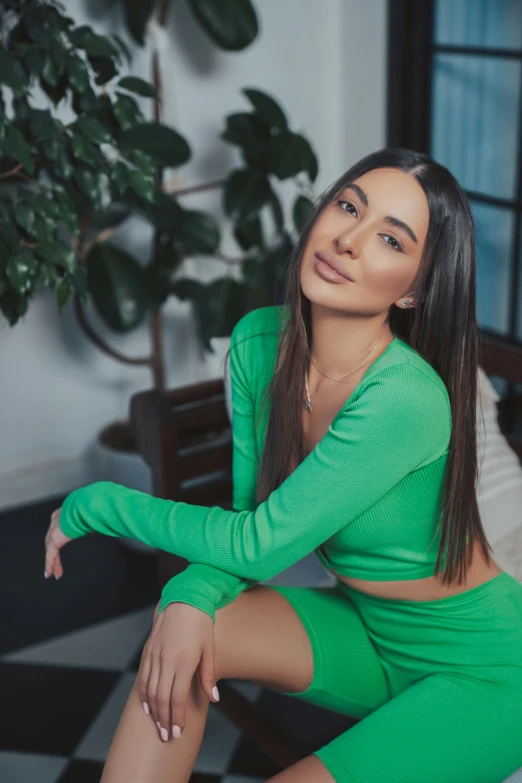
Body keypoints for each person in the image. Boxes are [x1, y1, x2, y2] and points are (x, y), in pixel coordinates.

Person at [44, 148, 522, 783]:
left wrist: (96, 504)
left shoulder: (404, 399)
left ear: (413, 289)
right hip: (365, 629)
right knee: (184, 635)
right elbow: (250, 517)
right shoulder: (257, 343)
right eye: (347, 206)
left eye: (388, 238)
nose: (349, 240)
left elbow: (258, 545)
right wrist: (188, 598)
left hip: (483, 669)